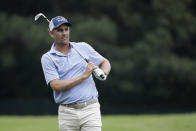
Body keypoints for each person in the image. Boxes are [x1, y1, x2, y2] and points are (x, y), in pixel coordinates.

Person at [41, 16, 111, 131]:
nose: (64, 33)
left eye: (66, 29)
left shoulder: (83, 47)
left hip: (90, 108)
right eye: (59, 30)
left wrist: (103, 73)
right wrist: (84, 76)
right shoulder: (47, 58)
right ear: (51, 33)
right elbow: (56, 86)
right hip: (67, 112)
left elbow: (104, 62)